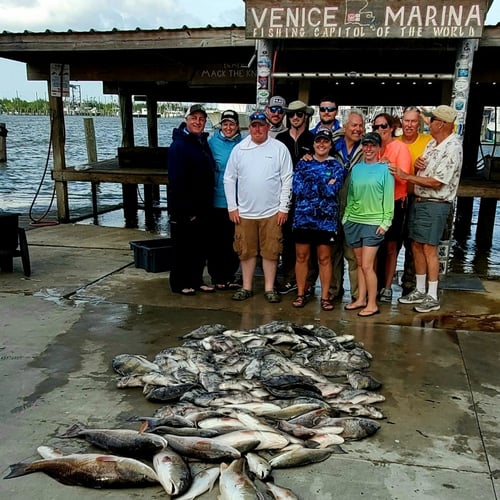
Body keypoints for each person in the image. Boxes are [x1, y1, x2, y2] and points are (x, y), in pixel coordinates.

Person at [393, 105, 463, 313]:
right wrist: (416, 167)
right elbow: (423, 172)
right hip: (420, 201)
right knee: (416, 245)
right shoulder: (433, 143)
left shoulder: (452, 147)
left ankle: (432, 295)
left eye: (431, 120)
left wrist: (406, 176)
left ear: (440, 123)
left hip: (436, 204)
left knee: (429, 248)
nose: (427, 123)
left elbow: (436, 182)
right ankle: (420, 289)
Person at [224, 110, 293, 303]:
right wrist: (232, 206)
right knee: (246, 251)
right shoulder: (239, 149)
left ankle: (269, 288)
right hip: (244, 213)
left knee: (271, 251)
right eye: (254, 125)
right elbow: (229, 178)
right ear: (249, 127)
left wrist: (283, 208)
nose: (258, 129)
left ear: (267, 127)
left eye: (261, 125)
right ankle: (246, 287)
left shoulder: (279, 148)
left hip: (272, 212)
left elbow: (287, 179)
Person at [291, 129, 346, 311]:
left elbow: (334, 190)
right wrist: (323, 184)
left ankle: (324, 297)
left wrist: (313, 184)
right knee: (301, 257)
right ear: (313, 144)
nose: (321, 145)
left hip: (326, 221)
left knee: (324, 258)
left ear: (331, 145)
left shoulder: (336, 167)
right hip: (303, 218)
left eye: (325, 142)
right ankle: (300, 293)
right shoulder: (302, 164)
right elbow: (298, 188)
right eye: (318, 141)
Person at [343, 132, 394, 317]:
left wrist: (385, 222)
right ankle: (361, 299)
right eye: (366, 145)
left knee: (367, 265)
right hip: (354, 221)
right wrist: (346, 219)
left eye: (373, 145)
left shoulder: (386, 169)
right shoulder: (356, 169)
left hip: (373, 224)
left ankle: (372, 303)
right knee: (359, 263)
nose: (369, 149)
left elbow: (389, 199)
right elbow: (350, 196)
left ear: (379, 148)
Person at [167, 104, 216, 295]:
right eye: (194, 118)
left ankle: (196, 280)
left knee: (199, 247)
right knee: (183, 248)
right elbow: (177, 180)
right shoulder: (179, 145)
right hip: (186, 208)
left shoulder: (202, 142)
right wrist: (187, 210)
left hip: (204, 205)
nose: (198, 122)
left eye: (201, 119)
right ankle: (179, 283)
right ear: (186, 120)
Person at [275, 100, 315, 296]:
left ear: (305, 116)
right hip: (284, 198)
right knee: (287, 240)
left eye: (299, 114)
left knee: (307, 241)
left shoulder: (314, 138)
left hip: (308, 200)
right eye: (291, 114)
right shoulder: (280, 139)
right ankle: (288, 277)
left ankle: (307, 281)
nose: (295, 118)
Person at [372, 112, 411, 303]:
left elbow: (403, 178)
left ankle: (387, 287)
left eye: (383, 126)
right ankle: (374, 286)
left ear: (392, 127)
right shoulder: (374, 148)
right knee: (374, 246)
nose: (380, 130)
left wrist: (389, 167)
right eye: (376, 127)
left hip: (395, 202)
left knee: (391, 247)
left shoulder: (400, 148)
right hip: (375, 204)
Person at [329, 108, 365, 302]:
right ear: (344, 126)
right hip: (333, 210)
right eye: (354, 125)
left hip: (355, 212)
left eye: (360, 125)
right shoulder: (331, 145)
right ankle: (333, 291)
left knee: (354, 256)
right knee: (333, 255)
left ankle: (357, 295)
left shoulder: (367, 148)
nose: (357, 129)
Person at [396, 106, 432, 295]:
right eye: (406, 121)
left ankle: (410, 284)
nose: (409, 125)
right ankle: (384, 284)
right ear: (401, 121)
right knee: (393, 242)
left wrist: (429, 120)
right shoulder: (394, 142)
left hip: (417, 199)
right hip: (396, 199)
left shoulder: (428, 141)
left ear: (418, 123)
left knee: (414, 243)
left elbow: (452, 133)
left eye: (413, 121)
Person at [207, 109, 243, 290]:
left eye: (232, 124)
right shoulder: (211, 143)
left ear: (238, 126)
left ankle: (230, 275)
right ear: (221, 125)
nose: (228, 127)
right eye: (225, 124)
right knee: (216, 242)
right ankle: (217, 277)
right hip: (217, 201)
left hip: (237, 203)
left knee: (233, 242)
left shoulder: (243, 144)